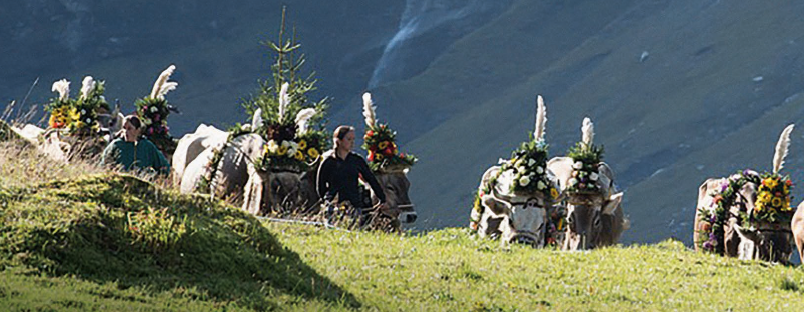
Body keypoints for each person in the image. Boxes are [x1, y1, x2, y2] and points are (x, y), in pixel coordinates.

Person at [316, 125, 388, 219]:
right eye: (349, 139)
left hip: (354, 204)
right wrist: (327, 200)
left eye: (353, 139)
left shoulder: (357, 160)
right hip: (333, 206)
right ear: (339, 141)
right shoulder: (328, 162)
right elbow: (320, 185)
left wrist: (382, 198)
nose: (352, 142)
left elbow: (371, 179)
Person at [100, 115, 170, 174]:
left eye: (129, 129)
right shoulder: (116, 145)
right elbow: (103, 165)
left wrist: (155, 177)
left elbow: (164, 166)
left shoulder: (147, 146)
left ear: (138, 130)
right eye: (124, 128)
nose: (125, 132)